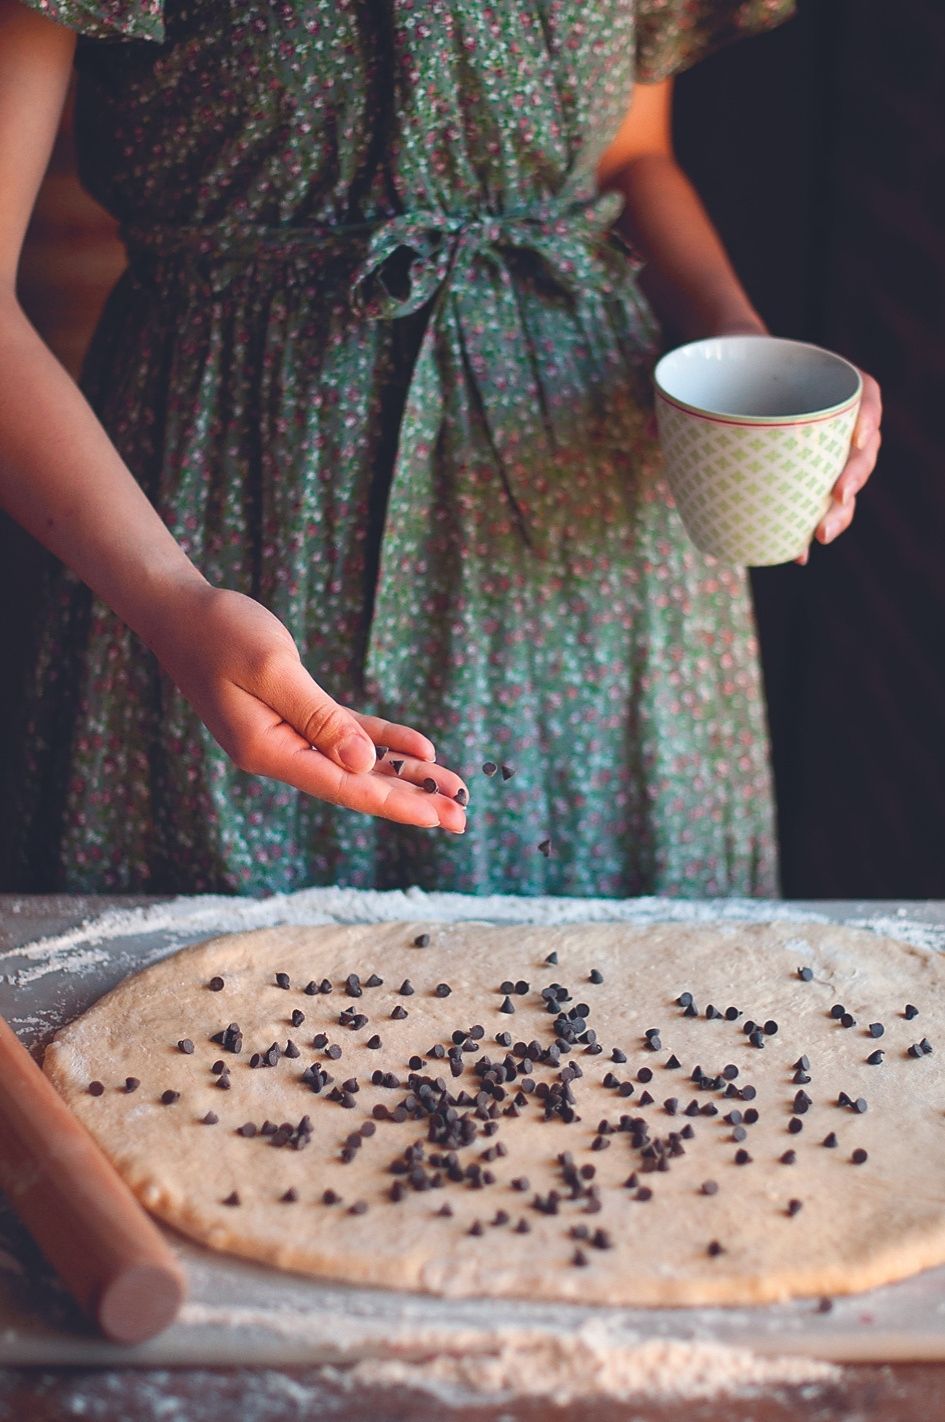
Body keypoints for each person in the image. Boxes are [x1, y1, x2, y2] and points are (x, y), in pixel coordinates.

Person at [0, 0, 881, 898]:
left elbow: (626, 154)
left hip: (584, 557)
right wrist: (170, 600)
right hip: (210, 528)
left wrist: (745, 354)